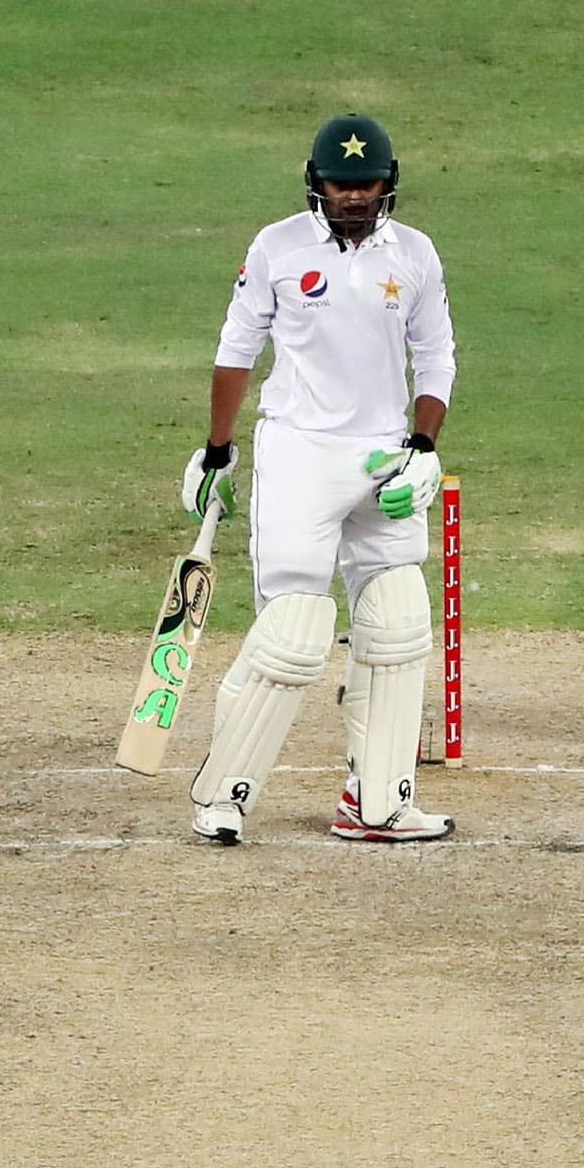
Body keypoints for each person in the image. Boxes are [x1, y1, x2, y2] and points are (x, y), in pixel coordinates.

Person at [182, 111, 459, 844]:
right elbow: (235, 353)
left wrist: (423, 448)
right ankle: (221, 795)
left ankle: (377, 801)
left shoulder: (417, 255)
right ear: (316, 184)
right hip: (300, 452)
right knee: (296, 633)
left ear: (388, 185)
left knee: (398, 620)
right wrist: (217, 450)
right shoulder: (276, 248)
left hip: (381, 458)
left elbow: (436, 358)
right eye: (341, 186)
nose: (354, 198)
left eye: (366, 185)